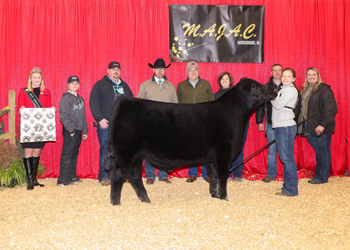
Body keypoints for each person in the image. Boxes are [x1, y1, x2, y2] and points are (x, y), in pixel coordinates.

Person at [89, 61, 133, 186]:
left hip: (122, 125)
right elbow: (93, 102)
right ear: (108, 71)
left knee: (121, 151)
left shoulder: (125, 86)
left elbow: (131, 102)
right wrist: (100, 118)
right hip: (106, 124)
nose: (116, 71)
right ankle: (103, 175)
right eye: (113, 69)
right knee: (105, 150)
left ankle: (120, 175)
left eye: (118, 69)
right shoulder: (100, 84)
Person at [137, 58, 178, 185]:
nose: (160, 71)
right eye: (158, 68)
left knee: (164, 150)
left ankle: (163, 175)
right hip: (150, 124)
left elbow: (175, 105)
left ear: (165, 70)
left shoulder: (171, 86)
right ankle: (150, 175)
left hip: (166, 124)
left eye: (162, 69)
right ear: (153, 70)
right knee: (149, 150)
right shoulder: (145, 85)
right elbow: (139, 104)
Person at [298, 67, 337, 184]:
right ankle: (319, 174)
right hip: (309, 127)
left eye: (314, 74)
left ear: (318, 76)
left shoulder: (324, 89)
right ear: (306, 77)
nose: (311, 77)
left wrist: (322, 124)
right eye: (309, 75)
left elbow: (331, 108)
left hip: (320, 127)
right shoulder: (305, 89)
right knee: (319, 151)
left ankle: (322, 177)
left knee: (323, 151)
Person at [18, 67, 55, 190]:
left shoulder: (47, 91)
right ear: (30, 79)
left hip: (41, 128)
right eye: (34, 77)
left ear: (42, 79)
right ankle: (29, 180)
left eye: (39, 77)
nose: (37, 80)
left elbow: (48, 108)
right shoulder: (24, 91)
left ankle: (34, 179)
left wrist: (52, 109)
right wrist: (22, 109)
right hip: (29, 128)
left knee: (37, 151)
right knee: (28, 151)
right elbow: (20, 107)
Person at [177, 61, 214, 183]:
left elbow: (211, 103)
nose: (193, 72)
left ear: (198, 72)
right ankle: (192, 173)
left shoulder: (206, 84)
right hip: (187, 122)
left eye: (195, 70)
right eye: (191, 70)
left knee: (205, 148)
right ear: (187, 72)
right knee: (190, 148)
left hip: (204, 122)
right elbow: (178, 104)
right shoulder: (181, 85)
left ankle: (206, 173)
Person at [214, 72, 248, 182]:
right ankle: (227, 174)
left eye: (227, 79)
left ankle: (237, 175)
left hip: (239, 127)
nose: (224, 81)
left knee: (238, 150)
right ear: (219, 81)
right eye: (222, 79)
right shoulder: (216, 95)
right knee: (225, 152)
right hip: (224, 128)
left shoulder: (238, 93)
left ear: (230, 81)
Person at [271, 68, 299, 196]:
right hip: (280, 126)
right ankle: (287, 186)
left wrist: (270, 95)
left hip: (286, 126)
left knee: (287, 158)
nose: (285, 78)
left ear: (293, 79)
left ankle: (291, 190)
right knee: (284, 157)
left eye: (289, 76)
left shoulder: (292, 90)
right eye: (284, 76)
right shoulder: (283, 89)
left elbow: (278, 105)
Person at [57, 76, 88, 186]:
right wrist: (70, 130)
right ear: (68, 85)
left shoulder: (80, 99)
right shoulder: (65, 99)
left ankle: (72, 176)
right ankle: (63, 179)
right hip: (71, 130)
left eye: (76, 83)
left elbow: (83, 115)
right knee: (67, 154)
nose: (74, 85)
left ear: (79, 85)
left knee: (74, 154)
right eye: (72, 83)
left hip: (79, 130)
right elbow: (63, 116)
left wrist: (85, 130)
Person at [256, 64, 283, 183]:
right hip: (271, 122)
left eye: (279, 70)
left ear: (282, 72)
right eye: (275, 70)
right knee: (272, 150)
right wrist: (259, 121)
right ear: (271, 72)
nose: (277, 72)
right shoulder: (266, 87)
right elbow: (260, 105)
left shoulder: (288, 86)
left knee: (285, 149)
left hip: (285, 123)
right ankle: (271, 174)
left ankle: (286, 173)